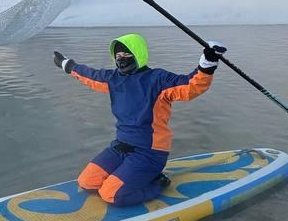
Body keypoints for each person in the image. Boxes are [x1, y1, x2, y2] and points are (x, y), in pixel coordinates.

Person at [53, 32, 227, 207]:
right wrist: (66, 65)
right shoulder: (113, 79)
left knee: (110, 194)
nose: (121, 59)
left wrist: (207, 63)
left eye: (127, 54)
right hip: (121, 146)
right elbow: (90, 76)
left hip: (149, 152)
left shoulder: (157, 79)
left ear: (138, 54)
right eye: (118, 55)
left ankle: (158, 183)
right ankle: (130, 176)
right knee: (87, 182)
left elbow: (190, 86)